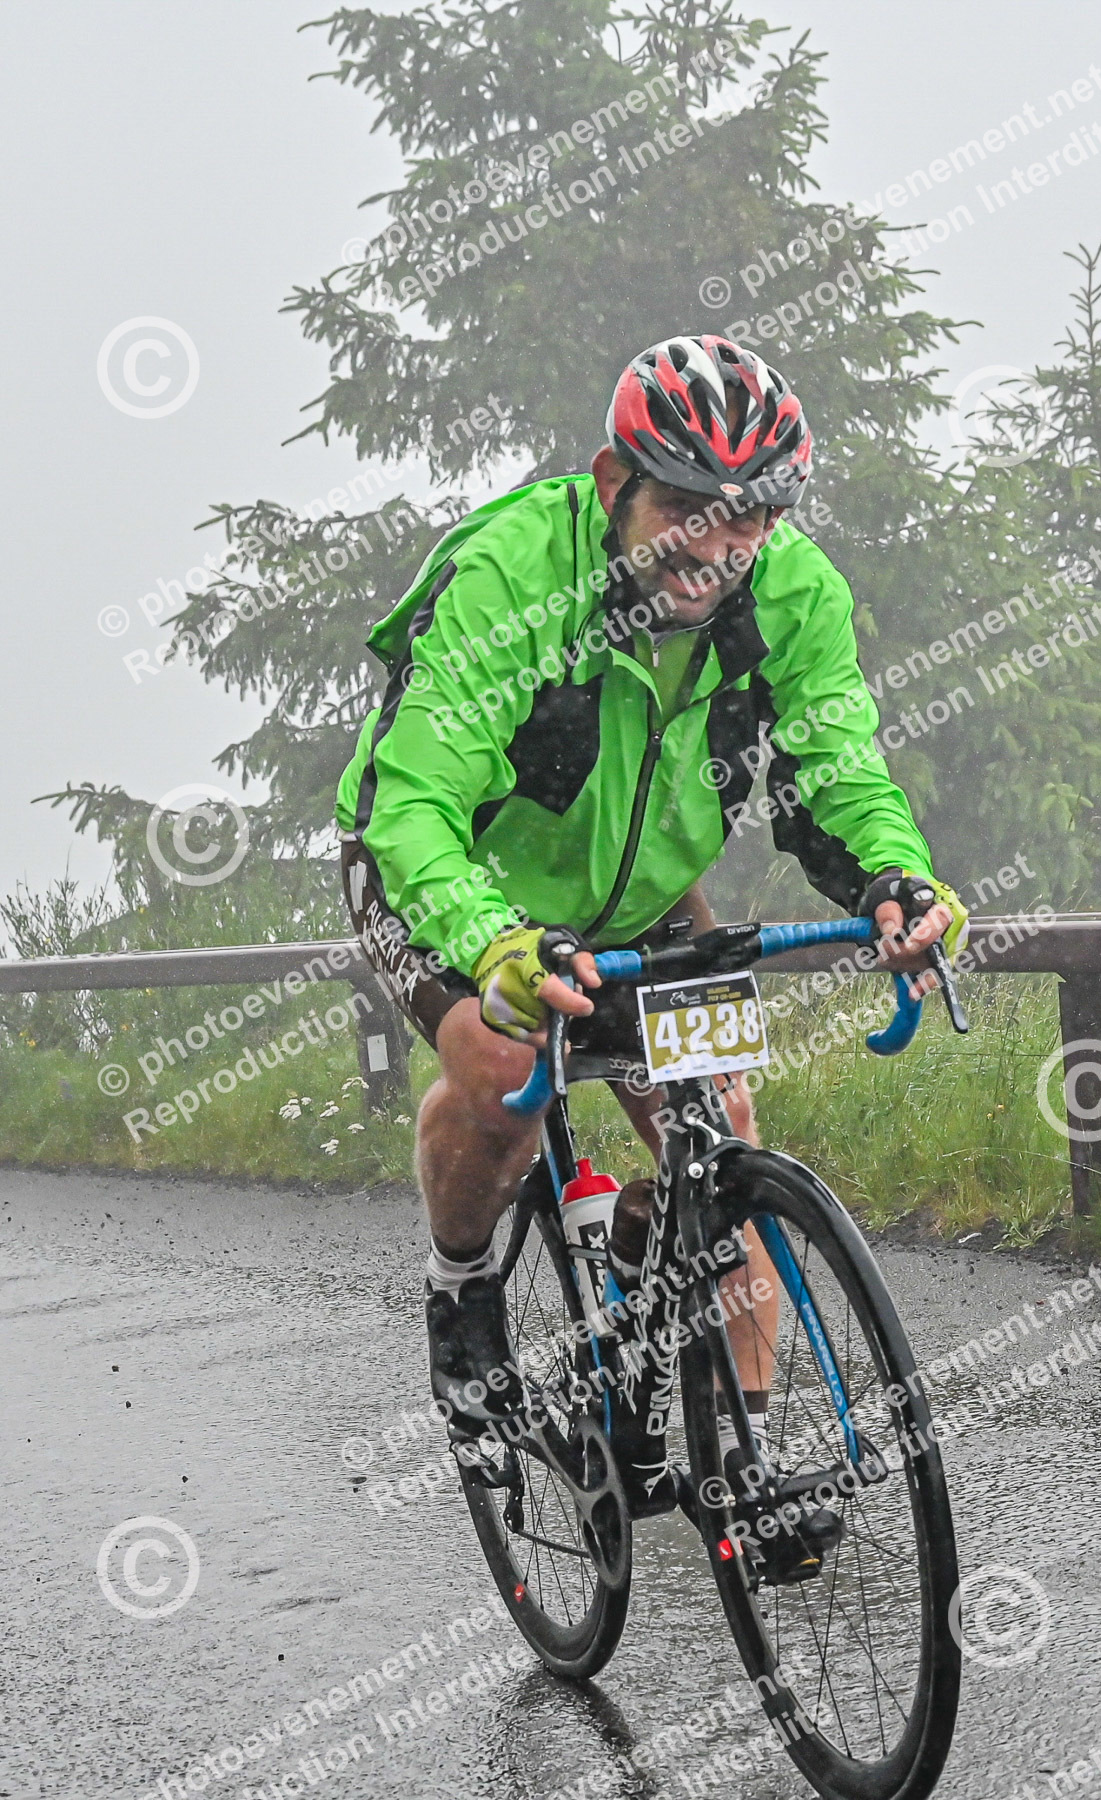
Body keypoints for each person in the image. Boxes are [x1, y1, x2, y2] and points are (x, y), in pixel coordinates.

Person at [336, 333, 966, 1507]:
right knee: (504, 1070)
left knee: (720, 1130)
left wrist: (893, 877)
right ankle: (462, 1290)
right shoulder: (512, 574)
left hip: (638, 900)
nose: (715, 548)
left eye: (749, 518)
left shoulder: (793, 593)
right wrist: (492, 944)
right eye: (684, 507)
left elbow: (835, 769)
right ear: (611, 481)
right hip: (448, 879)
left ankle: (744, 1463)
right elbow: (412, 803)